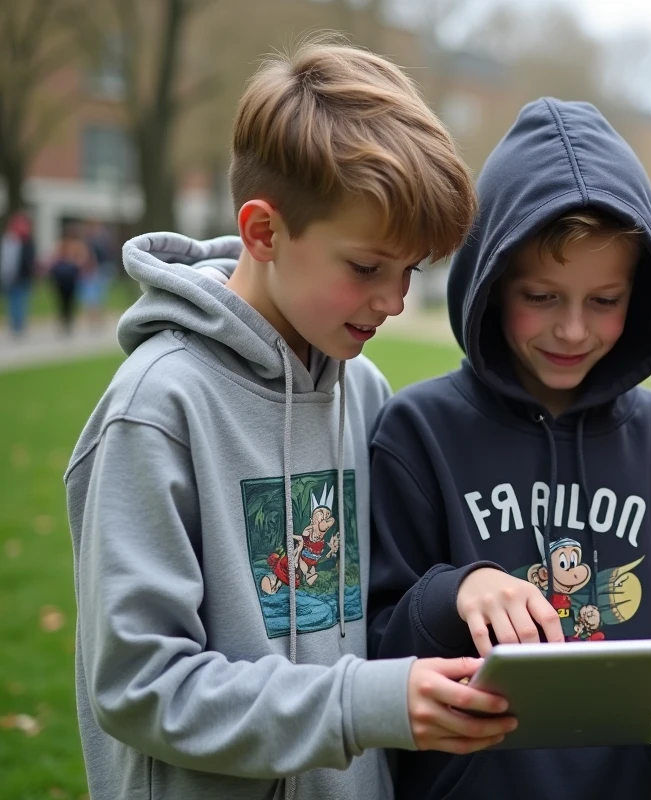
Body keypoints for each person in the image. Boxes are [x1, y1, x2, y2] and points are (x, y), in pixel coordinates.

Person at [65, 36, 515, 800]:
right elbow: (140, 685)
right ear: (264, 232)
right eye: (367, 267)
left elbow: (388, 607)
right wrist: (360, 705)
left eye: (409, 270)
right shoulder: (157, 409)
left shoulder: (363, 391)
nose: (394, 300)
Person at [367, 98, 651, 800]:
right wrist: (456, 591)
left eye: (604, 300)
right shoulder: (416, 432)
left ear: (639, 293)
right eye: (542, 297)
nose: (573, 330)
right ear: (491, 285)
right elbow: (373, 651)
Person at [0, 210, 36, 337]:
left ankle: (19, 326)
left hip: (23, 276)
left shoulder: (27, 241)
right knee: (12, 301)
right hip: (9, 275)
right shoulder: (9, 239)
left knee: (20, 301)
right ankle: (15, 325)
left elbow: (30, 260)